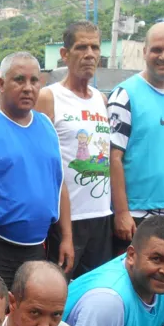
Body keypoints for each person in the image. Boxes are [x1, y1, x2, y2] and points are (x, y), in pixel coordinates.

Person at [0, 51, 74, 288]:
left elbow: (59, 185)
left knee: (30, 319)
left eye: (34, 81)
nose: (28, 87)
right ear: (1, 84)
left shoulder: (47, 125)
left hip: (38, 248)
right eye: (19, 80)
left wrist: (68, 237)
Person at [36, 21, 115, 278]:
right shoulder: (49, 97)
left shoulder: (101, 100)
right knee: (59, 292)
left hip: (102, 216)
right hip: (66, 221)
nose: (90, 54)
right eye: (81, 47)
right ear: (65, 54)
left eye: (94, 47)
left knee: (95, 292)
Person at [107, 22, 164, 253]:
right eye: (156, 50)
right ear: (144, 52)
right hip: (135, 216)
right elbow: (114, 158)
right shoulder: (124, 95)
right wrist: (122, 213)